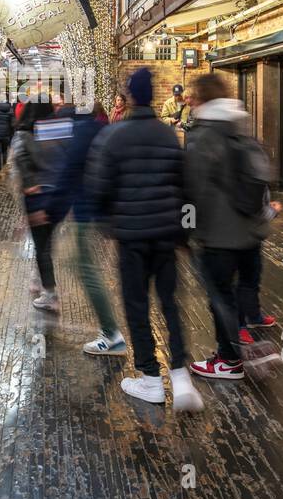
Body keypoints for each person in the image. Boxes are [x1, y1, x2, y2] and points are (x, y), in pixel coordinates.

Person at [86, 67, 203, 412]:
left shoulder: (114, 135)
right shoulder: (168, 136)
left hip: (132, 238)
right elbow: (188, 189)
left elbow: (97, 188)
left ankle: (151, 380)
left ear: (131, 97)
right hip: (167, 236)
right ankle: (180, 377)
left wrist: (109, 226)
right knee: (169, 303)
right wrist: (187, 232)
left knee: (137, 305)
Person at [182, 73, 280, 382]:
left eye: (192, 97)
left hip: (219, 233)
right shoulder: (241, 124)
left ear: (200, 99)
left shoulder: (203, 134)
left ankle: (229, 359)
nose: (188, 101)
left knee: (219, 295)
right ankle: (247, 342)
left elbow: (191, 190)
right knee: (241, 289)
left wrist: (185, 230)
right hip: (252, 229)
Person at [46, 96, 125, 355]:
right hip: (107, 212)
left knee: (87, 270)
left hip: (85, 213)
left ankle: (112, 334)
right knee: (84, 265)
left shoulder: (78, 133)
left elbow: (68, 174)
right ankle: (112, 331)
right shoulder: (105, 130)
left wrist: (53, 213)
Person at [12, 102, 67, 310]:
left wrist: (30, 189)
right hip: (57, 196)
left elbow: (22, 162)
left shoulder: (24, 135)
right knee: (45, 244)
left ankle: (49, 292)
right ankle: (40, 280)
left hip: (37, 197)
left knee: (42, 245)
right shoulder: (55, 131)